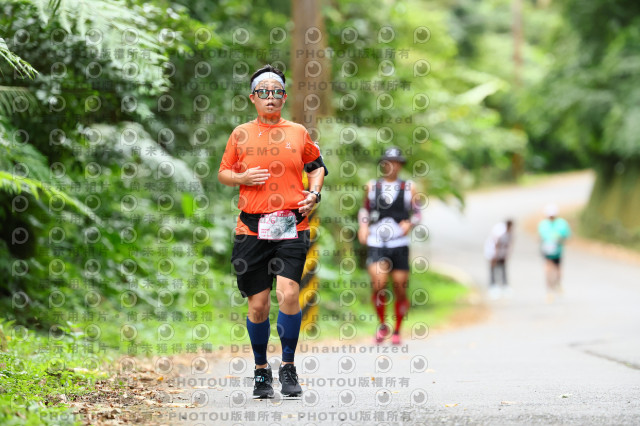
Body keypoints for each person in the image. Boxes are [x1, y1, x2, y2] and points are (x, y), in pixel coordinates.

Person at [218, 64, 328, 399]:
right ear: (252, 97)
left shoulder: (298, 132)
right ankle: (261, 370)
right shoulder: (240, 134)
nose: (271, 97)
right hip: (251, 229)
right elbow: (223, 172)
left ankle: (289, 366)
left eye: (277, 91)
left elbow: (317, 167)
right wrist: (241, 178)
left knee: (289, 294)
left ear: (284, 97)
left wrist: (314, 194)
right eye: (263, 92)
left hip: (291, 224)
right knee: (258, 305)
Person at [357, 147, 421, 345]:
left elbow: (418, 213)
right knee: (379, 283)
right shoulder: (372, 186)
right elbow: (365, 210)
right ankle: (382, 324)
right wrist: (363, 226)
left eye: (395, 162)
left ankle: (398, 329)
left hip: (399, 243)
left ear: (400, 165)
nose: (392, 166)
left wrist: (410, 223)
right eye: (388, 162)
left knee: (400, 287)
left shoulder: (409, 187)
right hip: (377, 242)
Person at [538, 204, 571, 301]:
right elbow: (540, 237)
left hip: (558, 251)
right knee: (548, 270)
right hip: (546, 250)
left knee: (557, 270)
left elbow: (567, 236)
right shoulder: (543, 224)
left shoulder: (561, 223)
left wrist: (560, 240)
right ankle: (549, 290)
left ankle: (557, 284)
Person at [484, 219, 514, 299]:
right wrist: (496, 256)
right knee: (493, 269)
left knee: (503, 268)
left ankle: (504, 285)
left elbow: (509, 244)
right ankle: (492, 285)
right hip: (492, 252)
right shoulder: (500, 232)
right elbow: (496, 244)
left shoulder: (510, 232)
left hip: (501, 252)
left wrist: (506, 255)